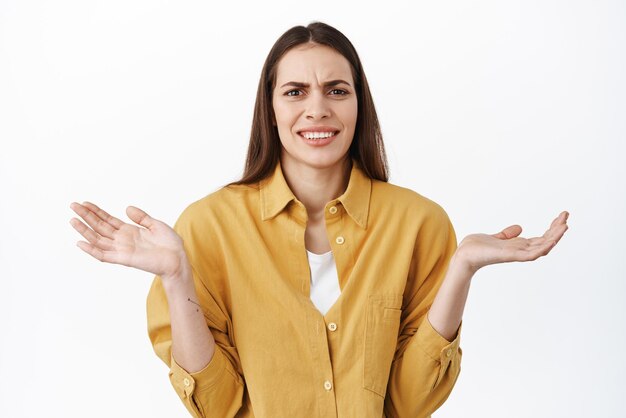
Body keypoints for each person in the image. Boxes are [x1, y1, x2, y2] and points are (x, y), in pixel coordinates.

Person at [69, 21, 569, 418]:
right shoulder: (207, 227)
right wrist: (178, 277)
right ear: (269, 108)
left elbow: (411, 403)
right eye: (294, 92)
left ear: (358, 105)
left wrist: (461, 269)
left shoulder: (419, 224)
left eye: (336, 90)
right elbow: (216, 406)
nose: (317, 109)